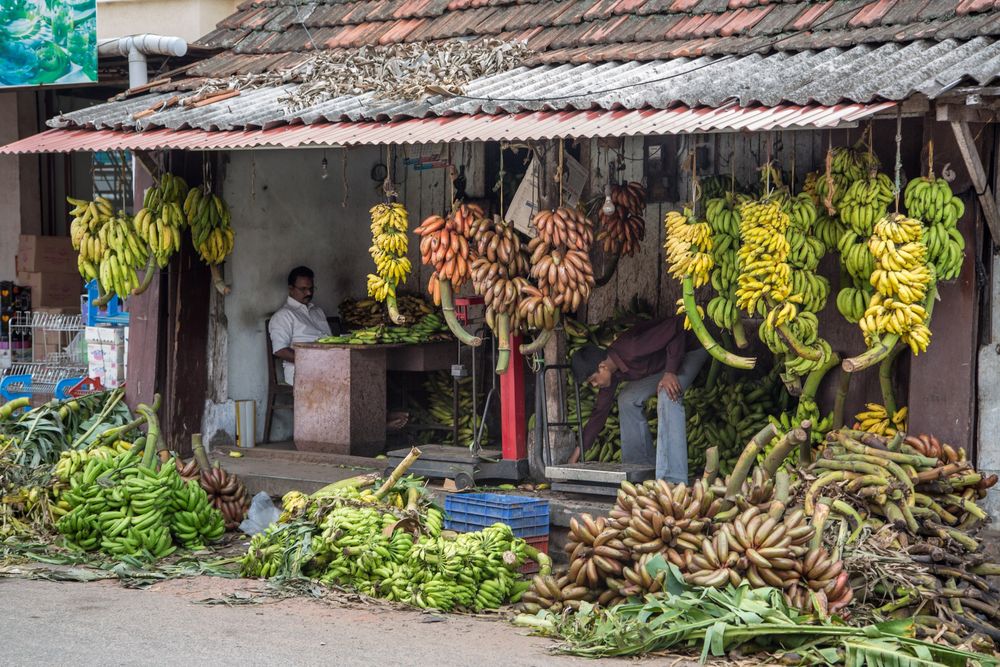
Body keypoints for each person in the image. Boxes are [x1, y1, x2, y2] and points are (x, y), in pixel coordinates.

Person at [569, 316, 709, 483]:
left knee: (667, 393)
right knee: (627, 399)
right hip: (664, 365)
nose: (593, 385)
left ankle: (673, 480)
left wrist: (670, 371)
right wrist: (579, 451)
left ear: (602, 367)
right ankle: (640, 470)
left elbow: (679, 325)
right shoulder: (611, 373)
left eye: (593, 380)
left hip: (691, 350)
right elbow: (600, 412)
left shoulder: (632, 348)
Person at [268, 266, 331, 385]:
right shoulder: (283, 316)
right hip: (303, 372)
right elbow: (280, 350)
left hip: (329, 366)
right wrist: (312, 361)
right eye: (303, 289)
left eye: (311, 288)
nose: (308, 293)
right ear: (291, 289)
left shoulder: (317, 311)